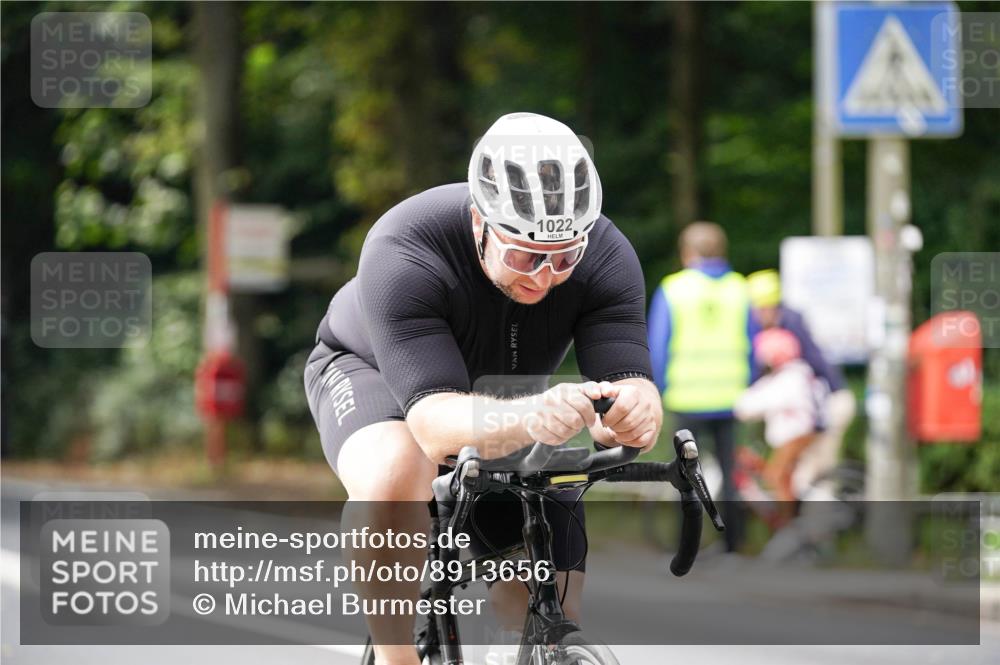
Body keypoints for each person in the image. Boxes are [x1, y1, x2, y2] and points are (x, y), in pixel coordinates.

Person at [304, 112, 662, 665]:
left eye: (563, 259)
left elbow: (630, 381)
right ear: (480, 223)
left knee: (541, 586)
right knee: (398, 471)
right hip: (372, 375)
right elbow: (433, 428)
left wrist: (635, 410)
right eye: (523, 255)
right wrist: (533, 417)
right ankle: (398, 659)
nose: (542, 277)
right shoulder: (405, 245)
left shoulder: (607, 256)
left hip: (508, 395)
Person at [647, 222, 755, 553]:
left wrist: (658, 388)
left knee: (686, 474)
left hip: (687, 395)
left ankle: (687, 544)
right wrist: (748, 384)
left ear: (688, 253)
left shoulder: (674, 288)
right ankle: (733, 545)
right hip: (730, 396)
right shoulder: (740, 288)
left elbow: (658, 345)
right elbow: (753, 342)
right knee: (730, 472)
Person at [746, 269, 856, 499]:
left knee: (813, 473)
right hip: (822, 402)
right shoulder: (786, 321)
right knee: (800, 473)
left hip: (830, 402)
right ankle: (811, 525)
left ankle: (821, 527)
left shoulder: (790, 329)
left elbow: (801, 375)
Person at [734, 327, 826, 504]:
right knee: (785, 479)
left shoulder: (789, 378)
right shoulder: (797, 373)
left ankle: (789, 524)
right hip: (802, 436)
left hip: (795, 438)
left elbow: (756, 402)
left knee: (777, 479)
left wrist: (736, 402)